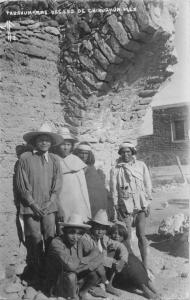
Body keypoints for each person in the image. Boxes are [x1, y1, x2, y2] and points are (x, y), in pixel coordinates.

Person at [16, 123, 63, 281]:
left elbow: (57, 183)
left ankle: (50, 272)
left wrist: (50, 202)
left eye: (47, 140)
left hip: (49, 207)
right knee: (35, 239)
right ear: (35, 141)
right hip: (31, 208)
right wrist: (33, 204)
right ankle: (36, 272)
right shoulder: (25, 159)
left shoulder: (55, 160)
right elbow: (22, 185)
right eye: (41, 139)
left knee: (50, 237)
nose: (44, 143)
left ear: (51, 143)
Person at [110, 141, 152, 269]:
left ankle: (145, 265)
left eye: (128, 151)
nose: (126, 154)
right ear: (120, 153)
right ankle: (132, 265)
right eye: (123, 152)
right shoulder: (116, 169)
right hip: (125, 206)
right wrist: (116, 206)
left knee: (141, 235)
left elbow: (147, 183)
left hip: (140, 205)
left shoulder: (141, 165)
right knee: (126, 237)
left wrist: (148, 202)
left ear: (132, 152)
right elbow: (114, 189)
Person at [46, 213, 105, 300]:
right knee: (71, 275)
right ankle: (72, 297)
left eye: (79, 233)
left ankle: (82, 293)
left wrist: (85, 262)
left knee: (96, 272)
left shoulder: (81, 240)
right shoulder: (56, 243)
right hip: (59, 281)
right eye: (71, 232)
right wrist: (89, 261)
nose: (75, 237)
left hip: (75, 276)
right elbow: (70, 266)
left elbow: (98, 254)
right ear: (64, 231)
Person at [82, 209, 129, 297]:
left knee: (115, 251)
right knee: (109, 262)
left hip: (100, 267)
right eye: (97, 228)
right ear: (92, 226)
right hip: (87, 267)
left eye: (103, 229)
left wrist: (122, 260)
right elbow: (94, 257)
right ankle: (92, 287)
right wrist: (113, 262)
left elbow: (120, 246)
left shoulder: (103, 238)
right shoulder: (86, 238)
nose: (100, 231)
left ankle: (108, 284)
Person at [109, 223, 160, 300]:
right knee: (130, 266)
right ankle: (145, 289)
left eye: (120, 234)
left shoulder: (125, 243)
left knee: (135, 262)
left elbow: (131, 254)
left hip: (128, 266)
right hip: (117, 272)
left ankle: (151, 287)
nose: (117, 236)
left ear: (123, 236)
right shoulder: (110, 243)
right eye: (114, 233)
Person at [54, 128, 91, 222]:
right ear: (57, 145)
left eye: (68, 144)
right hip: (62, 200)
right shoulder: (53, 160)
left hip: (77, 201)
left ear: (71, 146)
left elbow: (82, 187)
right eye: (63, 144)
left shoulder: (77, 160)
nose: (65, 147)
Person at [74, 142, 108, 218]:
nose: (83, 156)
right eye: (81, 153)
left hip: (93, 201)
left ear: (89, 155)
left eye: (86, 153)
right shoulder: (73, 166)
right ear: (77, 154)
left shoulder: (93, 167)